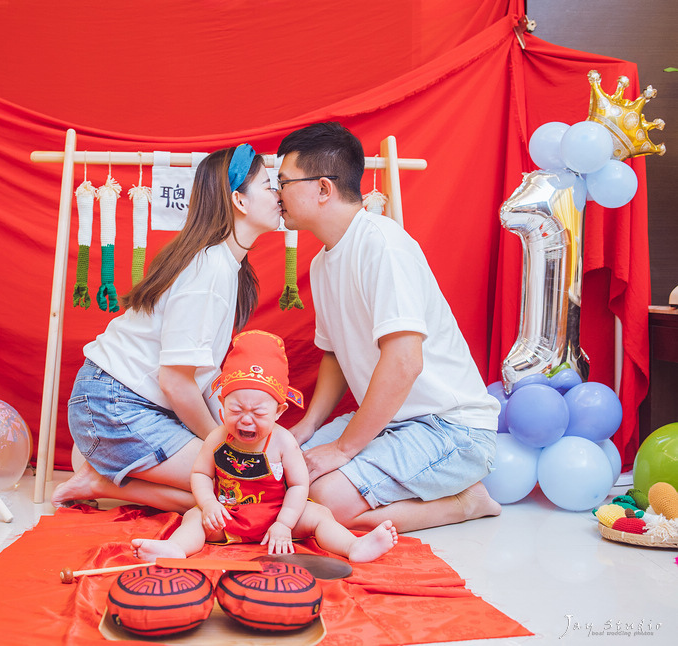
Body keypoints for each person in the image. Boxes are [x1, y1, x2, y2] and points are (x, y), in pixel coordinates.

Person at [275, 122, 502, 533]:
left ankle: (468, 501)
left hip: (451, 428)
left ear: (323, 189)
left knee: (325, 501)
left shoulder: (383, 244)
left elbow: (404, 363)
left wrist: (344, 449)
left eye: (284, 183)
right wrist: (308, 425)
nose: (277, 195)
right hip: (391, 421)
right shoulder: (322, 263)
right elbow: (335, 355)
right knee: (281, 473)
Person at [51, 144, 282, 512]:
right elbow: (175, 381)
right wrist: (221, 444)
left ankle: (106, 465)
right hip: (114, 407)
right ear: (239, 200)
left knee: (240, 480)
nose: (278, 195)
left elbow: (202, 376)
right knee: (232, 489)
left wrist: (237, 436)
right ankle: (100, 478)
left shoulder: (223, 264)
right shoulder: (210, 268)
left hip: (129, 405)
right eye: (269, 186)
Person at [132, 330, 398, 563]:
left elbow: (298, 485)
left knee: (319, 514)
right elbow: (201, 473)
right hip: (229, 514)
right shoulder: (216, 438)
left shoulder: (284, 442)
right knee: (194, 516)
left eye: (259, 412)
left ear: (279, 411)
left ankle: (353, 546)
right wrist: (210, 504)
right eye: (236, 410)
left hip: (277, 515)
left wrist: (284, 523)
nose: (246, 419)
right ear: (222, 403)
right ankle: (176, 548)